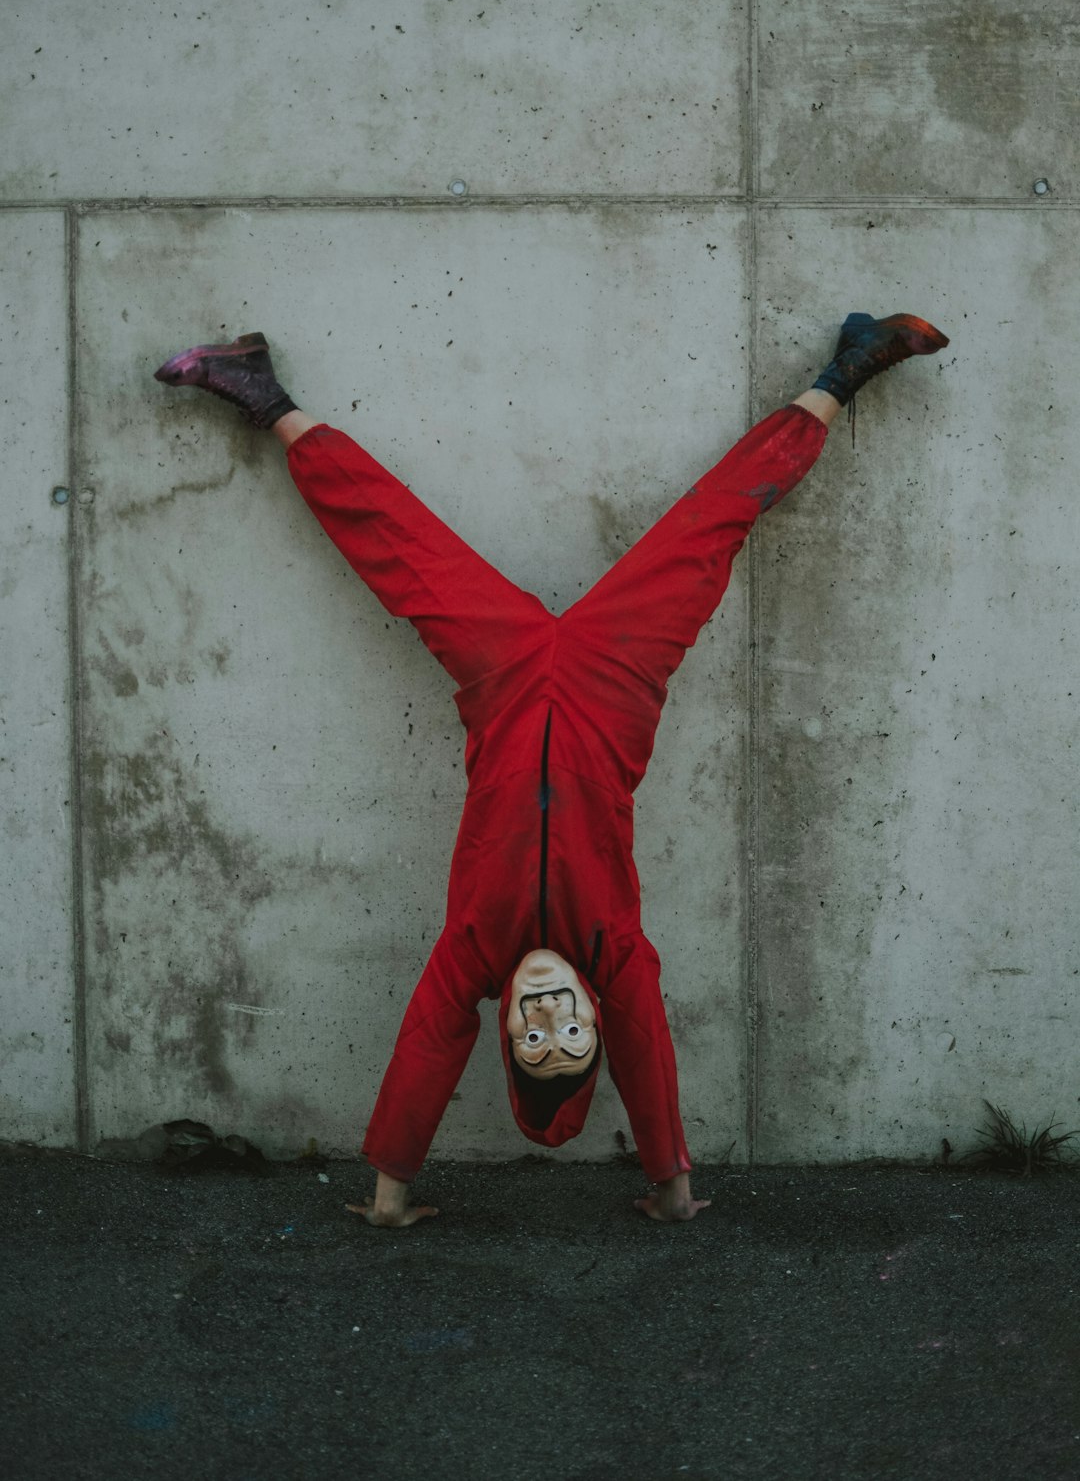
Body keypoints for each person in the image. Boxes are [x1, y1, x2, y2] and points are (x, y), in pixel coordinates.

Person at [154, 311, 948, 1226]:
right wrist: (672, 1188)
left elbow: (424, 1051)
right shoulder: (613, 949)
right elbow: (648, 1056)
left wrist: (387, 1198)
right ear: (595, 1019)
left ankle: (263, 394)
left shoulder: (475, 952)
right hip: (614, 678)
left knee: (397, 543)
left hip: (505, 672)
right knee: (713, 521)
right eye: (571, 1032)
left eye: (533, 1036)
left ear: (506, 1032)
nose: (547, 1012)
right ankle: (846, 372)